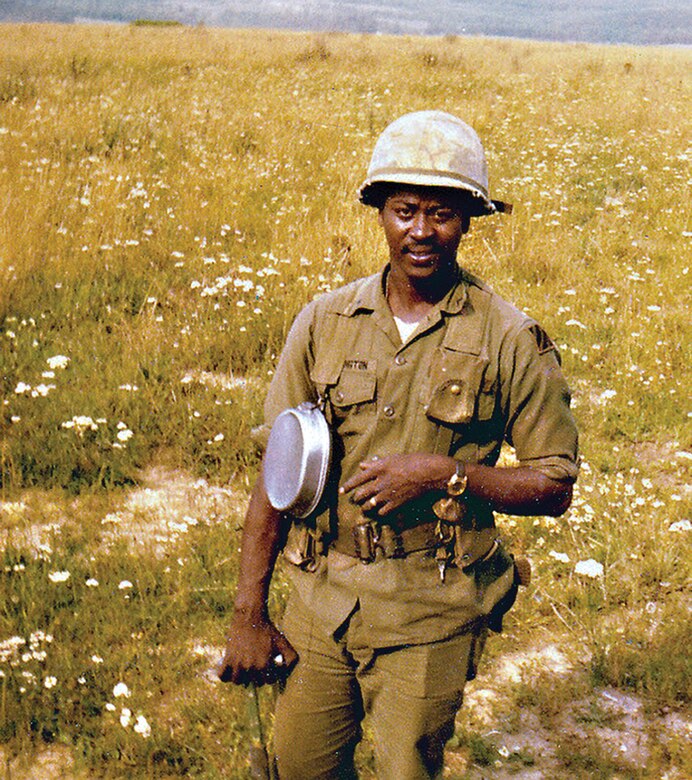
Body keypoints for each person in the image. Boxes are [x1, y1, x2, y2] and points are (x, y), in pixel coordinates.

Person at [218, 110, 579, 779]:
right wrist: (248, 613)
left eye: (442, 214)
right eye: (405, 210)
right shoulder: (324, 321)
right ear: (380, 213)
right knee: (300, 766)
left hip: (430, 607)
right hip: (322, 596)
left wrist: (445, 473)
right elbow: (277, 473)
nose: (421, 231)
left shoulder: (509, 338)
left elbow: (554, 483)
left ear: (468, 220)